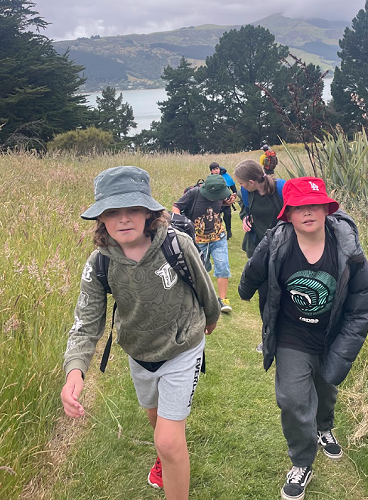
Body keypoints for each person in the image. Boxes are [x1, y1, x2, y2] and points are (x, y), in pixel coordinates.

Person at [61, 166, 220, 500]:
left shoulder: (177, 245)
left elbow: (204, 287)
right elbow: (86, 323)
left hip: (182, 346)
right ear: (100, 218)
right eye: (112, 211)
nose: (123, 219)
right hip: (139, 352)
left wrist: (211, 318)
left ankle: (169, 453)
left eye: (133, 208)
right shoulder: (99, 264)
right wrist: (75, 371)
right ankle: (166, 453)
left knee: (168, 440)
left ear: (148, 211)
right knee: (155, 416)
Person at [238, 177, 368, 500]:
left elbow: (361, 308)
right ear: (288, 214)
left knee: (325, 390)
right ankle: (302, 461)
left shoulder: (348, 251)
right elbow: (254, 270)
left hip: (330, 335)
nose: (308, 212)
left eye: (315, 205)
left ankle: (324, 427)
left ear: (327, 209)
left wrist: (341, 353)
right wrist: (244, 290)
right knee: (294, 399)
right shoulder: (277, 242)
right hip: (291, 335)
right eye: (299, 207)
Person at [234, 159, 285, 351]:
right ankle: (268, 339)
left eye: (241, 182)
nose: (240, 186)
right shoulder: (246, 193)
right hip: (259, 252)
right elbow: (244, 211)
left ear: (252, 182)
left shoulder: (282, 189)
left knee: (285, 296)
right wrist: (245, 219)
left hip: (284, 251)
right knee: (265, 297)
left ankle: (287, 339)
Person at [172, 174, 235, 313]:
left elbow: (221, 203)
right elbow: (176, 206)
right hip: (198, 240)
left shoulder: (220, 193)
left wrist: (228, 202)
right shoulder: (194, 193)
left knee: (223, 266)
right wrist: (180, 221)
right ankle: (199, 296)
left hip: (218, 237)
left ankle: (223, 300)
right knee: (200, 269)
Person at [209, 162, 237, 239]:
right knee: (216, 218)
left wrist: (234, 193)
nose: (216, 170)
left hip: (227, 200)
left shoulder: (225, 176)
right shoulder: (210, 180)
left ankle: (229, 231)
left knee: (227, 216)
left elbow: (232, 186)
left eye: (217, 168)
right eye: (214, 169)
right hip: (216, 201)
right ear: (211, 171)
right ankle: (218, 232)